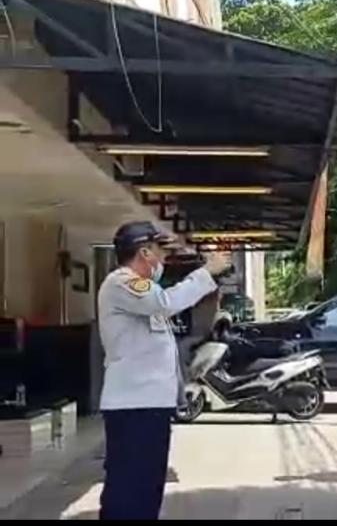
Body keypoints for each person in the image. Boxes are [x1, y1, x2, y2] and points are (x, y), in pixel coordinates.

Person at [98, 221, 230, 520]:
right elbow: (166, 302)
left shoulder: (143, 292)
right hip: (132, 407)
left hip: (150, 405)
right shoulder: (123, 282)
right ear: (143, 252)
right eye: (159, 250)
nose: (163, 258)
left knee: (147, 488)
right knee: (127, 489)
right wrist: (207, 271)